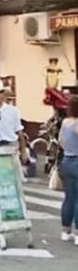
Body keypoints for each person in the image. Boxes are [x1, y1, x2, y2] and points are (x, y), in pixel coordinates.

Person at [59, 96, 78, 244]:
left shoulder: (65, 123)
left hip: (66, 160)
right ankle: (77, 232)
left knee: (69, 198)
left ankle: (66, 231)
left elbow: (61, 142)